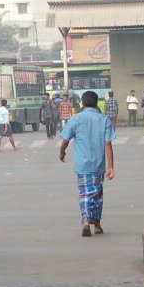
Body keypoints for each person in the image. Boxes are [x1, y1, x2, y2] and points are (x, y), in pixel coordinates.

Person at [58, 90, 115, 237]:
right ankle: (96, 224)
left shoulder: (75, 119)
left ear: (82, 103)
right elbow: (108, 144)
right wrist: (111, 167)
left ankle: (85, 221)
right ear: (97, 103)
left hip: (82, 166)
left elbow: (65, 139)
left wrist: (62, 152)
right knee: (97, 194)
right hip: (98, 165)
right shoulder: (104, 120)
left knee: (85, 193)